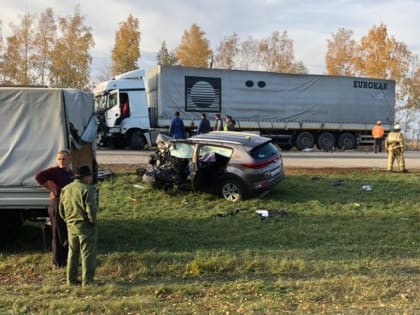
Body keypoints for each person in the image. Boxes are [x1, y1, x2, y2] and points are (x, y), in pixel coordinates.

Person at [59, 165, 97, 286]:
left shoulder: (65, 189)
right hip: (85, 225)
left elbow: (61, 209)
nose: (91, 179)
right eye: (90, 176)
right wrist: (92, 221)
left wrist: (68, 220)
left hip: (71, 225)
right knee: (87, 254)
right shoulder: (87, 189)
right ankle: (88, 281)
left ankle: (71, 280)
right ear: (86, 177)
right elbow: (91, 209)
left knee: (72, 253)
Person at [35, 150, 74, 267]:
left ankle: (67, 258)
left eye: (64, 159)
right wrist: (53, 190)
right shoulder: (55, 171)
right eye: (59, 159)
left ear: (69, 160)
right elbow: (39, 176)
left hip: (67, 206)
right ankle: (58, 262)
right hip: (57, 205)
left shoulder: (70, 172)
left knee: (66, 233)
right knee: (57, 233)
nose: (61, 161)